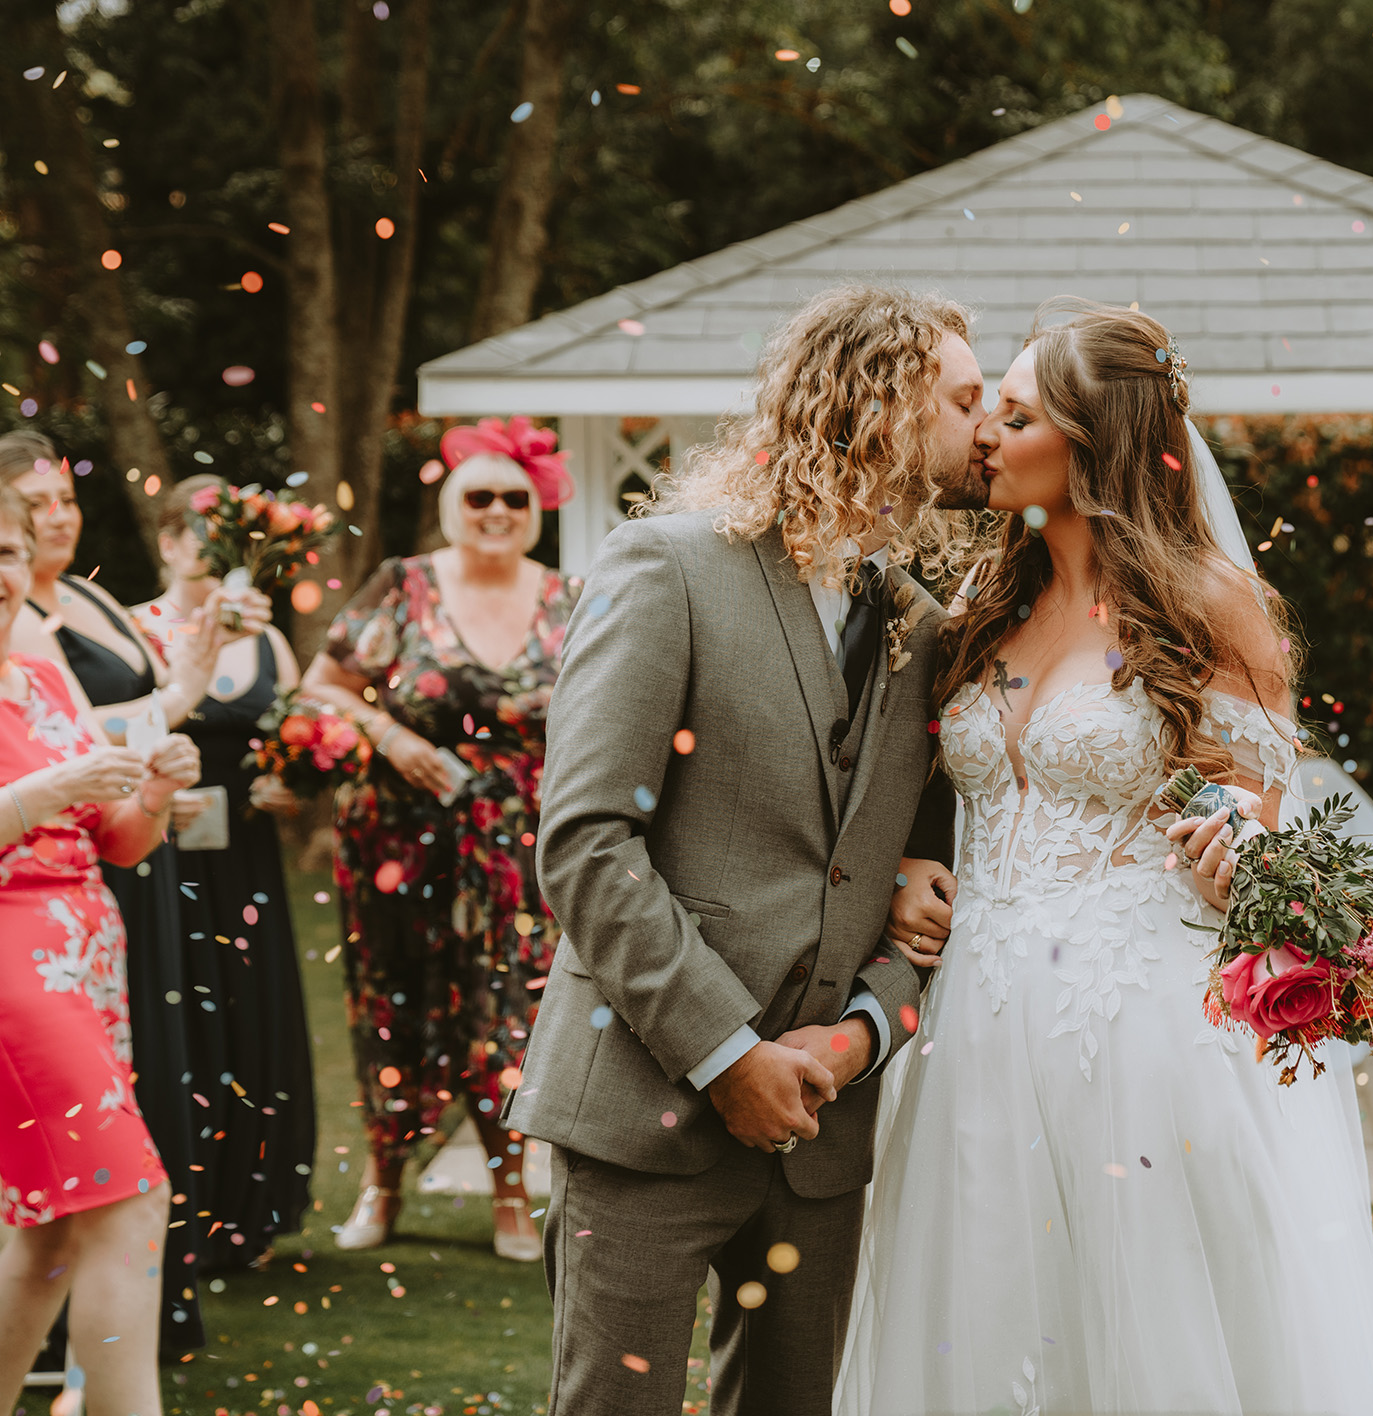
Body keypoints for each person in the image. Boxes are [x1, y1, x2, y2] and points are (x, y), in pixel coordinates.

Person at [830, 300, 1373, 1416]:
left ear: (1090, 441)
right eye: (985, 410)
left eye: (1014, 412)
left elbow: (1261, 820)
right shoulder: (980, 601)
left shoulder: (1208, 605)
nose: (984, 435)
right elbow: (918, 784)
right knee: (982, 1318)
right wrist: (909, 868)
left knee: (1148, 1325)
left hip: (1135, 1018)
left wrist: (1236, 851)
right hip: (970, 1022)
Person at [509, 284, 980, 1416]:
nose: (989, 425)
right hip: (640, 1109)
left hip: (823, 1137)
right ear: (884, 403)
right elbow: (584, 842)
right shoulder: (667, 567)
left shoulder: (923, 627)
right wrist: (729, 1057)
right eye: (964, 400)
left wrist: (859, 1036)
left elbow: (919, 885)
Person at [0, 430, 265, 1350]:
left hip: (124, 857)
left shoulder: (93, 596)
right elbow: (69, 736)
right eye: (34, 502)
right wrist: (160, 728)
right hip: (48, 883)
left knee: (153, 1090)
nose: (56, 514)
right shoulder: (11, 614)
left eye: (64, 497)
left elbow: (152, 702)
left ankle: (155, 1297)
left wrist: (201, 660)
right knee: (102, 1167)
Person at [0, 471, 201, 1416]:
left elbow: (117, 841)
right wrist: (48, 792)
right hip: (1, 973)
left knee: (51, 1232)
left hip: (87, 966)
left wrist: (155, 793)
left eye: (5, 552)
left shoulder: (43, 678)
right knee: (131, 1203)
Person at [299, 418, 581, 1261]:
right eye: (479, 496)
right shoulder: (403, 585)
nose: (496, 510)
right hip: (399, 840)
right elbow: (324, 684)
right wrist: (391, 738)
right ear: (451, 504)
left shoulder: (573, 598)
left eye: (514, 498)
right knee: (393, 1009)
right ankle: (383, 1185)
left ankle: (508, 1191)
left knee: (510, 1015)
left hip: (521, 850)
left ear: (539, 509)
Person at [129, 473, 316, 1271]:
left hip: (247, 858)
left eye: (228, 535)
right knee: (182, 1017)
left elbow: (305, 740)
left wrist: (294, 786)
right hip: (164, 855)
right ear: (169, 543)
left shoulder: (269, 640)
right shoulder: (136, 630)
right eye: (200, 533)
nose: (214, 550)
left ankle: (253, 1204)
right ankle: (183, 1207)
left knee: (253, 1015)